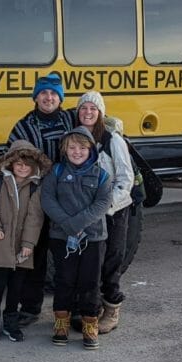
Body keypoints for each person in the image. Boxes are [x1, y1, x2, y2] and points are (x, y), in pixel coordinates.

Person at [0, 71, 74, 328]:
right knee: (35, 254)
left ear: (61, 98)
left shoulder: (71, 118)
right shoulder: (23, 126)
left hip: (69, 196)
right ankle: (30, 308)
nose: (49, 97)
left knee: (71, 254)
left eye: (54, 93)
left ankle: (74, 309)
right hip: (37, 198)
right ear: (36, 97)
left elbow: (94, 131)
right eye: (43, 92)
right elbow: (5, 160)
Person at [40, 126, 112, 349]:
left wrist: (76, 224)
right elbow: (47, 200)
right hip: (62, 238)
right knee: (64, 280)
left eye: (82, 147)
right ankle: (61, 322)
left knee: (90, 281)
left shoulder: (102, 175)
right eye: (72, 147)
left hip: (93, 238)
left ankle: (90, 324)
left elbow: (102, 204)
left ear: (90, 149)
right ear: (65, 149)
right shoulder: (57, 172)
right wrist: (67, 224)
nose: (77, 152)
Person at [75, 91, 134, 334]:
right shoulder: (77, 140)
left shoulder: (113, 141)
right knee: (89, 262)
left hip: (113, 211)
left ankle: (111, 310)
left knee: (111, 259)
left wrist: (107, 205)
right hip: (88, 213)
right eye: (83, 108)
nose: (88, 113)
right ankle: (92, 307)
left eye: (93, 109)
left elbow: (126, 178)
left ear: (101, 113)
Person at [0, 140, 50, 342]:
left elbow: (35, 218)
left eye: (27, 164)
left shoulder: (35, 187)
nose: (23, 168)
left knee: (17, 286)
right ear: (10, 163)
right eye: (19, 163)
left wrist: (29, 244)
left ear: (34, 166)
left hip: (22, 246)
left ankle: (11, 321)